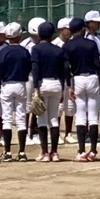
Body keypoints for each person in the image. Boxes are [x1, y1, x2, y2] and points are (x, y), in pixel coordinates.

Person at [0, 22, 32, 162]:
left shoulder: (3, 51)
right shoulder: (24, 51)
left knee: (6, 118)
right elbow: (29, 68)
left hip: (6, 85)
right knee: (21, 118)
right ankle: (22, 152)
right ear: (19, 36)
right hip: (21, 84)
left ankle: (7, 152)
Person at [63, 17, 100, 162]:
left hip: (77, 79)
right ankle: (93, 150)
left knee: (80, 116)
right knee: (93, 116)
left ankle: (81, 151)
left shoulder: (67, 45)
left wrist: (69, 85)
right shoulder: (91, 44)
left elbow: (66, 68)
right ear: (83, 29)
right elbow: (97, 64)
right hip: (92, 77)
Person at [31, 22, 67, 162]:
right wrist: (62, 88)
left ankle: (45, 153)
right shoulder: (58, 50)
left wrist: (36, 87)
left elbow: (35, 69)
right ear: (52, 35)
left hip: (43, 84)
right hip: (57, 84)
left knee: (42, 119)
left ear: (39, 34)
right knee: (53, 119)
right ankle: (55, 152)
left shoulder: (36, 49)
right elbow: (63, 71)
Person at [21, 16, 46, 146]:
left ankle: (35, 132)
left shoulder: (45, 44)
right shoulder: (25, 44)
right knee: (27, 106)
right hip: (29, 77)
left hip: (42, 77)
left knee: (39, 105)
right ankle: (25, 133)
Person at [52, 17, 77, 144]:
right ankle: (56, 134)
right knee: (59, 107)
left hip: (71, 78)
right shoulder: (55, 44)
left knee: (70, 107)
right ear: (62, 29)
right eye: (68, 29)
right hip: (59, 78)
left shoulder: (72, 43)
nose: (70, 31)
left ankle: (68, 133)